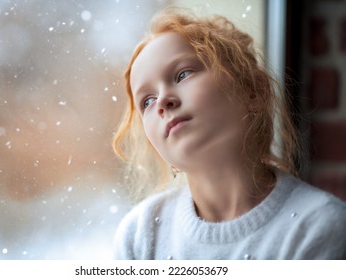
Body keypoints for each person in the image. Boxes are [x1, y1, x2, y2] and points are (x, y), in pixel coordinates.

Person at [111, 7, 346, 260]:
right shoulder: (139, 236)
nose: (162, 102)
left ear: (254, 92)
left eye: (182, 74)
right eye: (147, 101)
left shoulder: (320, 227)